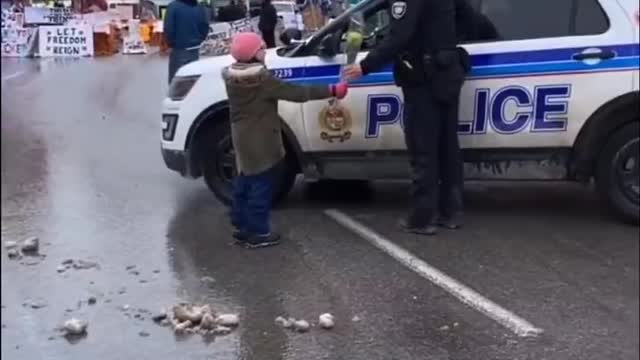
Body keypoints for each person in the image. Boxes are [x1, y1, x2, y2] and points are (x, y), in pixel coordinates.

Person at [343, 0, 468, 235]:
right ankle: (451, 213)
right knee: (448, 147)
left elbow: (400, 36)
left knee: (424, 150)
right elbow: (467, 18)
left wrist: (365, 66)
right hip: (447, 72)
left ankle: (421, 219)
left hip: (424, 78)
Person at [223, 32, 348, 248]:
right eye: (261, 49)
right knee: (261, 186)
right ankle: (258, 233)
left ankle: (241, 227)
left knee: (244, 181)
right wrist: (332, 90)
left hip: (242, 138)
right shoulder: (261, 80)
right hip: (261, 140)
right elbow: (296, 93)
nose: (265, 52)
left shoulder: (232, 77)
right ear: (253, 54)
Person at [164, 0, 210, 84]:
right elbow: (205, 26)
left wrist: (171, 43)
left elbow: (168, 28)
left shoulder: (173, 6)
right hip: (195, 48)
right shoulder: (200, 7)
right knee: (192, 78)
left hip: (179, 48)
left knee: (176, 80)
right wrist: (199, 40)